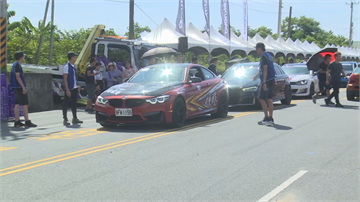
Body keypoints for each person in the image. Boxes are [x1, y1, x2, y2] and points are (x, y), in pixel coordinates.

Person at [9, 51, 37, 128]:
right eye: (23, 57)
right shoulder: (17, 65)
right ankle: (27, 121)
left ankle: (17, 121)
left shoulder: (14, 65)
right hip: (19, 87)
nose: (24, 58)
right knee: (25, 104)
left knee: (17, 104)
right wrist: (23, 87)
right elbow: (18, 76)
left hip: (15, 86)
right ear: (21, 57)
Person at [253, 42, 276, 125]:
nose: (256, 50)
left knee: (262, 98)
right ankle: (270, 117)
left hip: (267, 80)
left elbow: (265, 69)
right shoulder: (268, 55)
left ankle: (267, 118)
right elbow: (264, 69)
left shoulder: (264, 57)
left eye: (256, 48)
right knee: (269, 98)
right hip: (271, 79)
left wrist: (264, 82)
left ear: (260, 48)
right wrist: (257, 75)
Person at [63, 51, 83, 125]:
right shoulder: (67, 66)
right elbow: (65, 79)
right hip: (69, 88)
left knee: (74, 103)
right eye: (74, 57)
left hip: (74, 88)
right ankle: (65, 119)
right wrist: (67, 90)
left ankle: (75, 118)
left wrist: (77, 85)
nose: (75, 58)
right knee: (66, 103)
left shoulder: (73, 66)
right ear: (71, 57)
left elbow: (74, 77)